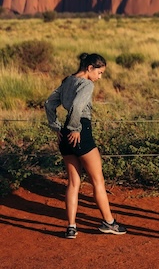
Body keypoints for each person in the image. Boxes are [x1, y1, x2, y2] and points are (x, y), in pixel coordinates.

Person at [44, 52, 127, 239]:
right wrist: (75, 128)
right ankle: (109, 222)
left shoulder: (67, 81)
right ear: (89, 68)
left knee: (73, 182)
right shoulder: (86, 84)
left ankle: (71, 227)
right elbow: (77, 107)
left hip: (64, 134)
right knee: (98, 180)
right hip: (80, 130)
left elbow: (49, 104)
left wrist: (57, 126)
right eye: (100, 72)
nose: (100, 77)